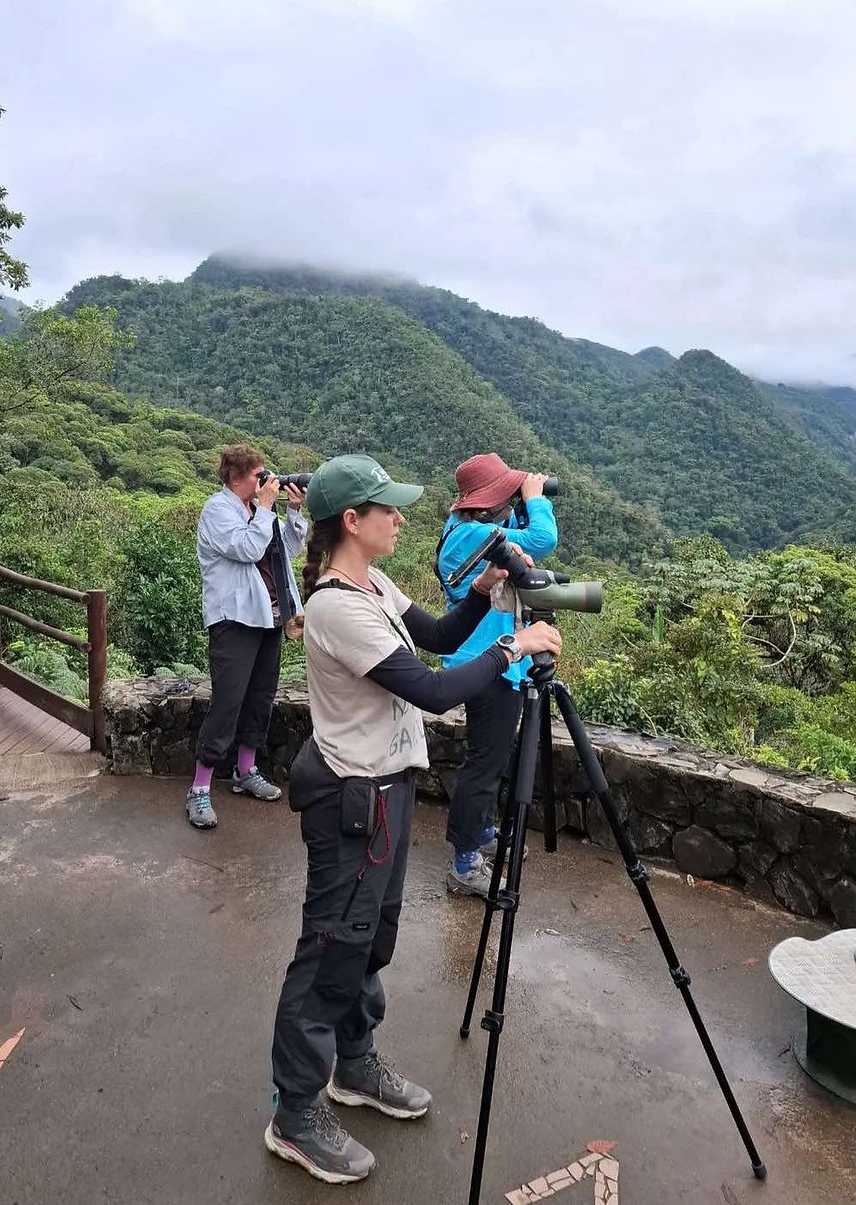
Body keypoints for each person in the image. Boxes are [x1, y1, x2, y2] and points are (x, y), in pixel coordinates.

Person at [265, 454, 562, 1184]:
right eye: (388, 509)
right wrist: (513, 644)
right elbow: (430, 688)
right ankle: (295, 1113)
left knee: (370, 942)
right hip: (350, 800)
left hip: (389, 790)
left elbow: (435, 630)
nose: (401, 518)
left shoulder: (376, 583)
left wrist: (491, 595)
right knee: (330, 949)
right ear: (351, 522)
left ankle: (355, 1065)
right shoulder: (337, 606)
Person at [435, 453, 559, 897]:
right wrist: (535, 498)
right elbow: (542, 539)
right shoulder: (475, 534)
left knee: (489, 758)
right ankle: (465, 864)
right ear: (490, 502)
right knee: (484, 766)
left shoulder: (463, 530)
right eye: (506, 495)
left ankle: (483, 833)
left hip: (493, 659)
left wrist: (520, 502)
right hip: (490, 663)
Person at [186, 443, 308, 829]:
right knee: (228, 701)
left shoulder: (260, 511)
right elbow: (245, 548)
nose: (265, 481)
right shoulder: (217, 510)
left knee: (260, 697)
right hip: (234, 620)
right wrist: (268, 509)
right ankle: (200, 788)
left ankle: (245, 770)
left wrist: (292, 511)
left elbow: (285, 550)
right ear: (237, 478)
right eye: (258, 476)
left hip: (269, 617)